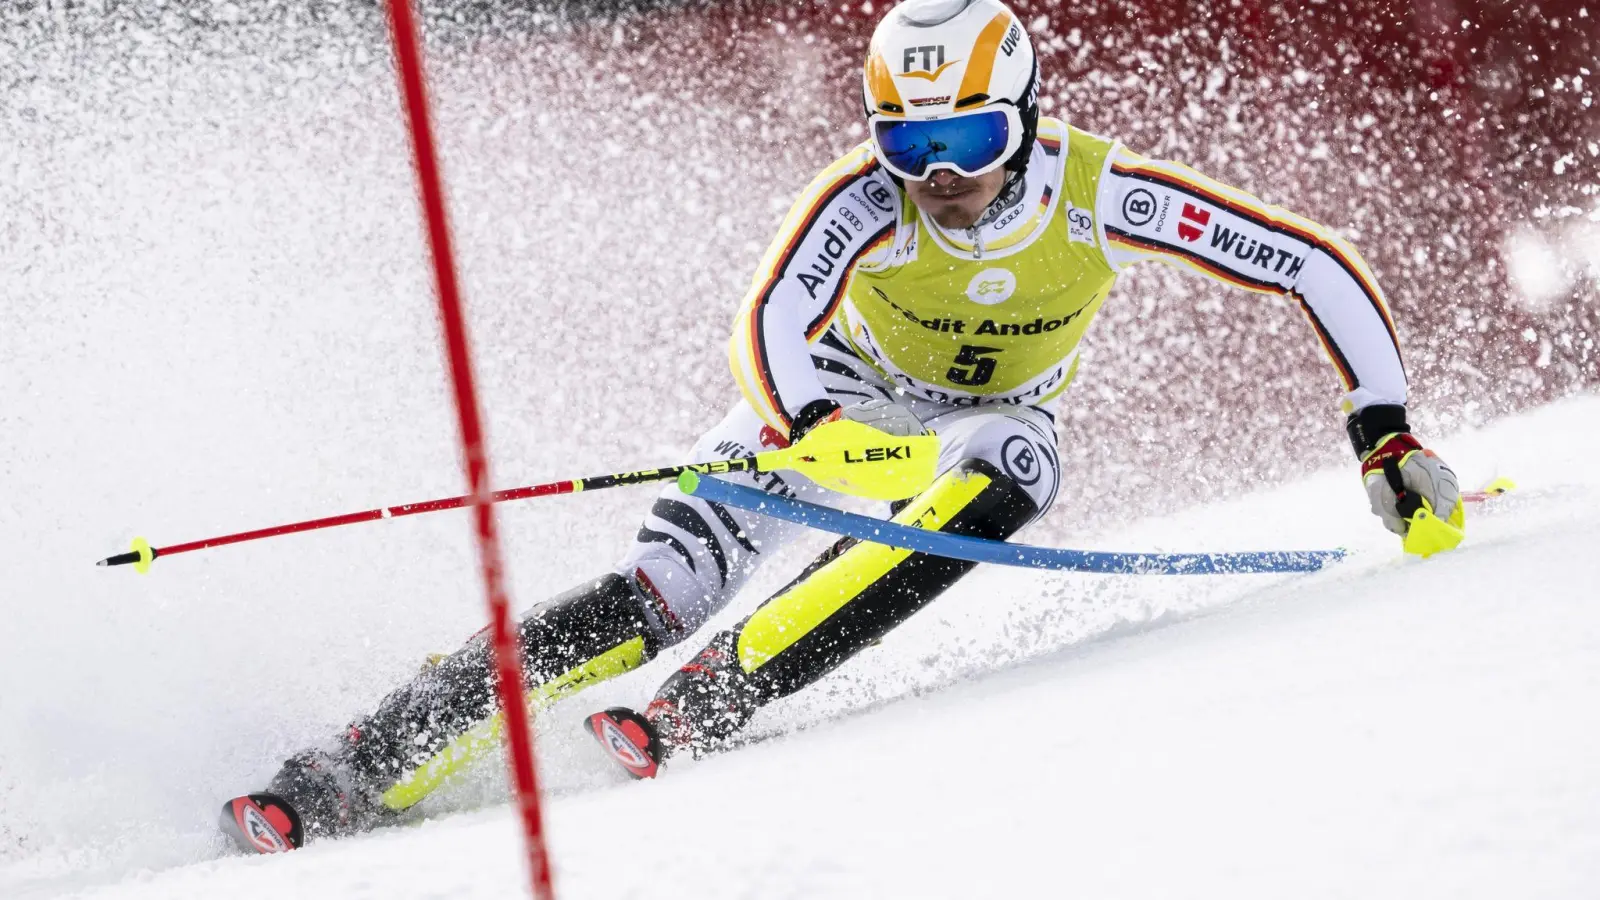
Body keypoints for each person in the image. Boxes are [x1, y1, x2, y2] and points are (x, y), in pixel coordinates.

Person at [227, 0, 1461, 847]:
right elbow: (767, 317)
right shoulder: (866, 199)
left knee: (1020, 461)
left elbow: (1313, 267)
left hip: (979, 427)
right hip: (821, 412)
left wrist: (1384, 434)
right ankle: (354, 769)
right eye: (909, 141)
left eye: (967, 138)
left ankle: (718, 693)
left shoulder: (1102, 193)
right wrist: (810, 421)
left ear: (1022, 115)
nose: (937, 173)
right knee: (651, 592)